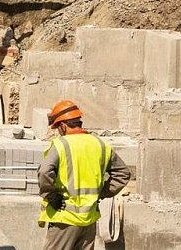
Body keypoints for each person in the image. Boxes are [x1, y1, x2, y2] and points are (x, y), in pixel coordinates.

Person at [37, 100, 132, 250]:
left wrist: (51, 194)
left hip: (64, 218)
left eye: (57, 128)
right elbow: (123, 174)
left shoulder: (61, 145)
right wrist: (102, 192)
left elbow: (44, 171)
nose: (58, 132)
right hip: (89, 220)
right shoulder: (100, 145)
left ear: (63, 126)